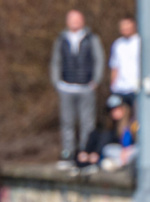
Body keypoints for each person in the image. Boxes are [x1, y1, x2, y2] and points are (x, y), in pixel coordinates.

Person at [50, 10, 104, 169]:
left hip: (85, 86)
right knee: (67, 122)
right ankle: (68, 153)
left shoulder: (91, 38)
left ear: (83, 21)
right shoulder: (61, 39)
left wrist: (96, 80)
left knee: (87, 123)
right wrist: (57, 82)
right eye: (72, 20)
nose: (75, 23)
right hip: (66, 87)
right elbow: (56, 61)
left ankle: (84, 152)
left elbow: (98, 59)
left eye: (77, 20)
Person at [75, 94, 137, 174]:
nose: (114, 113)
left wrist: (128, 151)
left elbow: (139, 145)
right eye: (112, 110)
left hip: (131, 154)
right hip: (119, 155)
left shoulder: (133, 124)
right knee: (108, 149)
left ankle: (118, 164)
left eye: (117, 109)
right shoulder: (112, 127)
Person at [108, 16, 140, 112]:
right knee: (122, 122)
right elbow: (114, 67)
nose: (125, 28)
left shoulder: (139, 42)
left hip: (136, 88)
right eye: (123, 25)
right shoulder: (117, 44)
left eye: (127, 25)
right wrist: (113, 87)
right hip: (120, 89)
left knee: (137, 119)